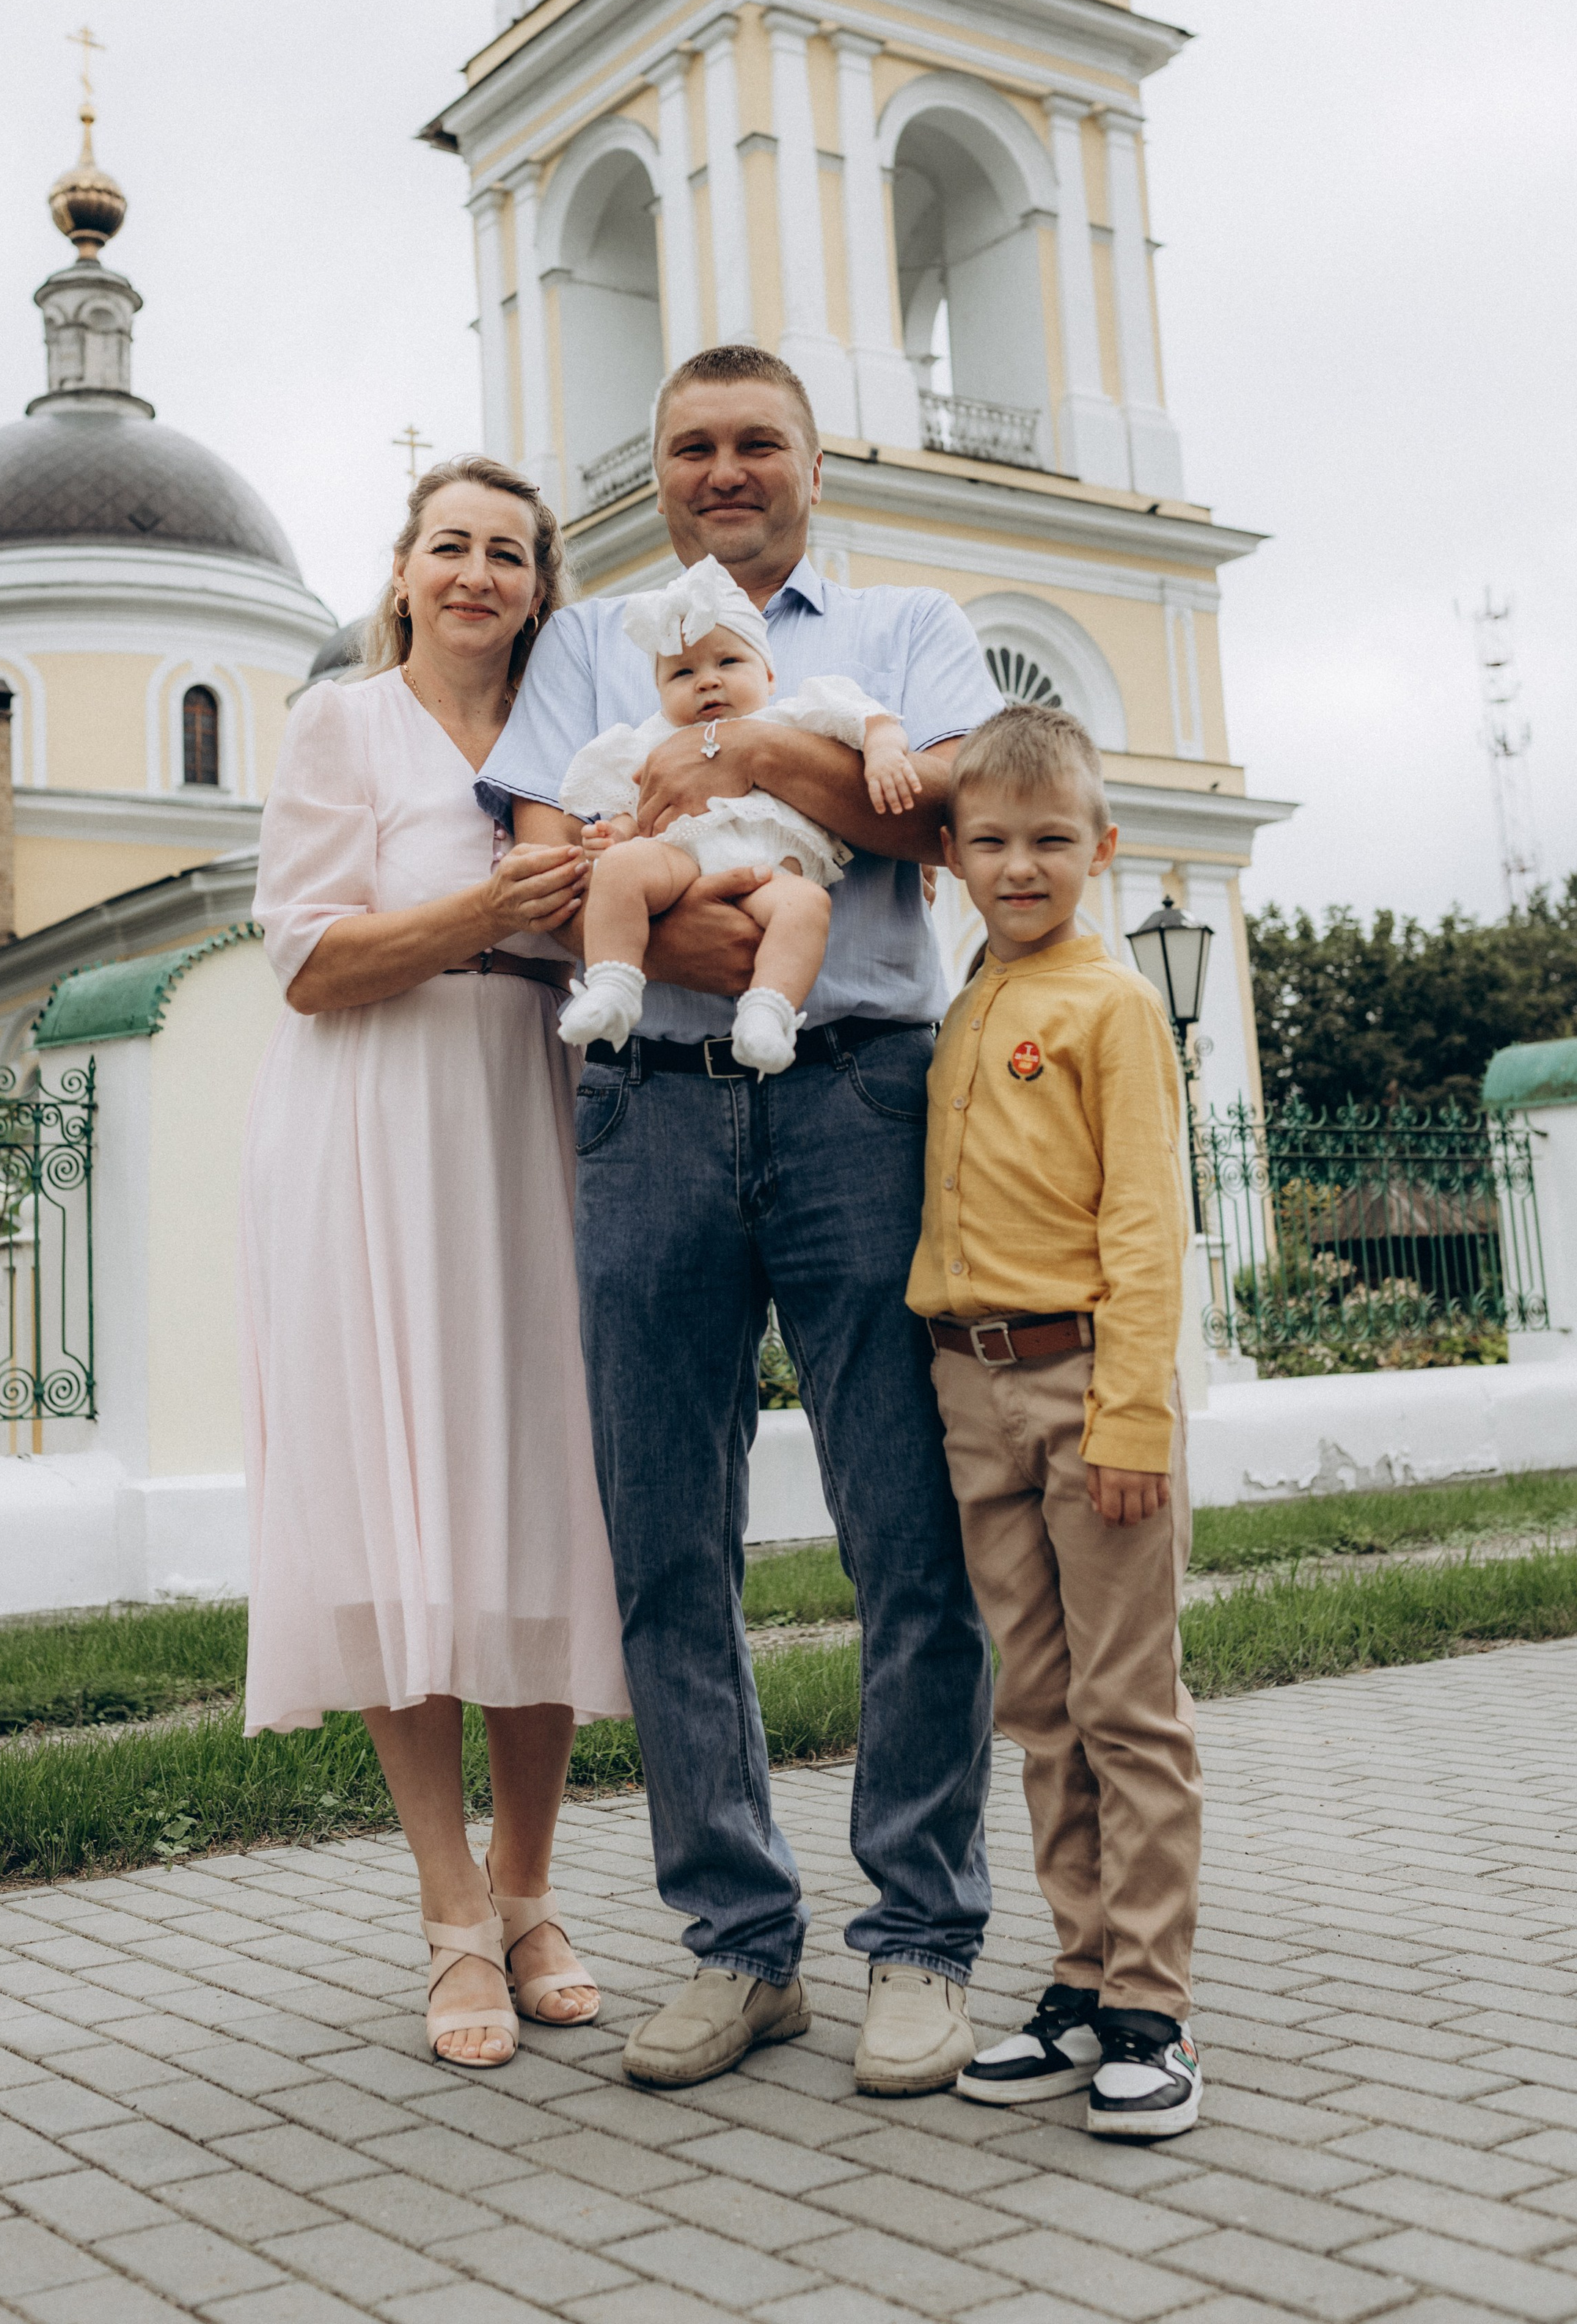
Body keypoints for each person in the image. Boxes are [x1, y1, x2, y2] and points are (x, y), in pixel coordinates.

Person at [481, 343, 1003, 2097]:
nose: (722, 467)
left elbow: (917, 822)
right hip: (651, 1109)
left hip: (859, 1087)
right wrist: (703, 894)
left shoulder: (914, 627)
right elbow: (557, 861)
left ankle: (919, 1939)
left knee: (904, 1526)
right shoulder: (583, 637)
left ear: (810, 462)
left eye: (753, 440)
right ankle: (736, 1945)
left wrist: (746, 747)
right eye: (690, 443)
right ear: (658, 467)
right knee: (665, 1534)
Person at [239, 455, 631, 2072]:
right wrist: (484, 914)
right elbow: (308, 961)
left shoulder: (568, 734)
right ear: (401, 572)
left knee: (537, 1499)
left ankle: (535, 1894)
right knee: (401, 1503)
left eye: (508, 555)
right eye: (448, 548)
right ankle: (449, 1916)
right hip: (378, 1131)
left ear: (541, 586)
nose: (477, 575)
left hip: (529, 1114)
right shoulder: (340, 724)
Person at [912, 702, 1204, 2136]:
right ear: (950, 857)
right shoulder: (966, 998)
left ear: (1098, 846)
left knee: (1123, 1709)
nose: (1016, 866)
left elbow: (1146, 1224)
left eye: (1045, 841)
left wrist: (1133, 1416)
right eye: (987, 841)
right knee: (1034, 1707)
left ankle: (1150, 2007)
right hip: (972, 1390)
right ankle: (1078, 1981)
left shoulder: (1111, 1006)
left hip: (1088, 1393)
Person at [557, 553, 923, 1074]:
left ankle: (767, 1013)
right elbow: (630, 808)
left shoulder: (793, 717)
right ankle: (614, 983)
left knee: (807, 909)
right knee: (619, 869)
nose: (707, 681)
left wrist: (885, 751)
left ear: (769, 673)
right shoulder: (652, 739)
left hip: (772, 873)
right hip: (680, 861)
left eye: (728, 663)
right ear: (660, 694)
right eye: (683, 672)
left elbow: (870, 720)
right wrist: (613, 834)